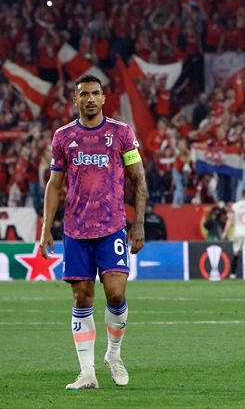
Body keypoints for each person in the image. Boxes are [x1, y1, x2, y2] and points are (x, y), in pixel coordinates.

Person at [39, 74, 148, 390]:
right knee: (82, 296)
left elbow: (139, 180)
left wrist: (139, 224)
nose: (89, 98)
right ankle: (87, 373)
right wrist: (47, 228)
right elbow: (55, 184)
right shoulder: (63, 137)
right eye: (83, 94)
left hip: (112, 227)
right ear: (75, 101)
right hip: (75, 230)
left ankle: (113, 355)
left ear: (104, 98)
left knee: (116, 293)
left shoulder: (121, 133)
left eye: (95, 93)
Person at [222, 189, 245, 280]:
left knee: (236, 253)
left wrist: (225, 232)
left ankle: (233, 274)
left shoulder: (235, 205)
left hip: (237, 231)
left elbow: (230, 219)